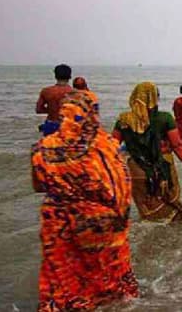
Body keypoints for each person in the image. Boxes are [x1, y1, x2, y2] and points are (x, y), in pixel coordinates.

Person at [31, 90, 138, 311]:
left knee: (63, 278)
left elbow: (38, 185)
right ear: (92, 113)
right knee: (108, 279)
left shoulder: (41, 147)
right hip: (97, 222)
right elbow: (117, 188)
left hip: (57, 223)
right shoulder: (104, 146)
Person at [113, 82, 182, 222]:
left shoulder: (123, 119)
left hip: (136, 169)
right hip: (162, 167)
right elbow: (178, 145)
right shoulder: (164, 118)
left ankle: (151, 241)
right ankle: (173, 240)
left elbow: (111, 147)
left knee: (148, 208)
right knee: (172, 208)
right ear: (156, 98)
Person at [36, 64, 74, 136]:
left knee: (49, 145)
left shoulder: (46, 91)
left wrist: (52, 109)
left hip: (51, 124)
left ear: (55, 76)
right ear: (70, 76)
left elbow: (39, 110)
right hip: (68, 126)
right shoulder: (75, 93)